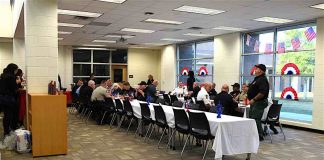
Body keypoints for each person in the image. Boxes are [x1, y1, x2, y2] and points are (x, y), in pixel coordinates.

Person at [247, 64, 269, 141]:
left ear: (261, 70)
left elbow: (262, 93)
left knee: (255, 119)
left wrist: (254, 99)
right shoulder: (257, 78)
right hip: (255, 102)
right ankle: (255, 134)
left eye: (257, 68)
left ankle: (260, 136)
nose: (255, 69)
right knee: (252, 118)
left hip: (259, 102)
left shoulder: (262, 79)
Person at [0, 63, 19, 137]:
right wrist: (17, 83)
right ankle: (8, 132)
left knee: (6, 115)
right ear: (13, 69)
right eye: (16, 70)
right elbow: (14, 89)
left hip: (2, 98)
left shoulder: (3, 75)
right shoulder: (11, 77)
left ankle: (6, 131)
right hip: (9, 98)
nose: (16, 71)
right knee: (9, 115)